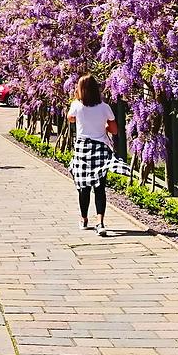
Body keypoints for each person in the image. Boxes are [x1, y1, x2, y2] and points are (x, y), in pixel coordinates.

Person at [67, 74, 128, 236]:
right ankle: (100, 222)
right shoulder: (104, 107)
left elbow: (70, 119)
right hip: (100, 149)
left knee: (83, 186)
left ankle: (84, 219)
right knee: (100, 187)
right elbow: (114, 130)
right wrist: (103, 127)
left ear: (80, 90)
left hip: (82, 149)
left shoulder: (76, 106)